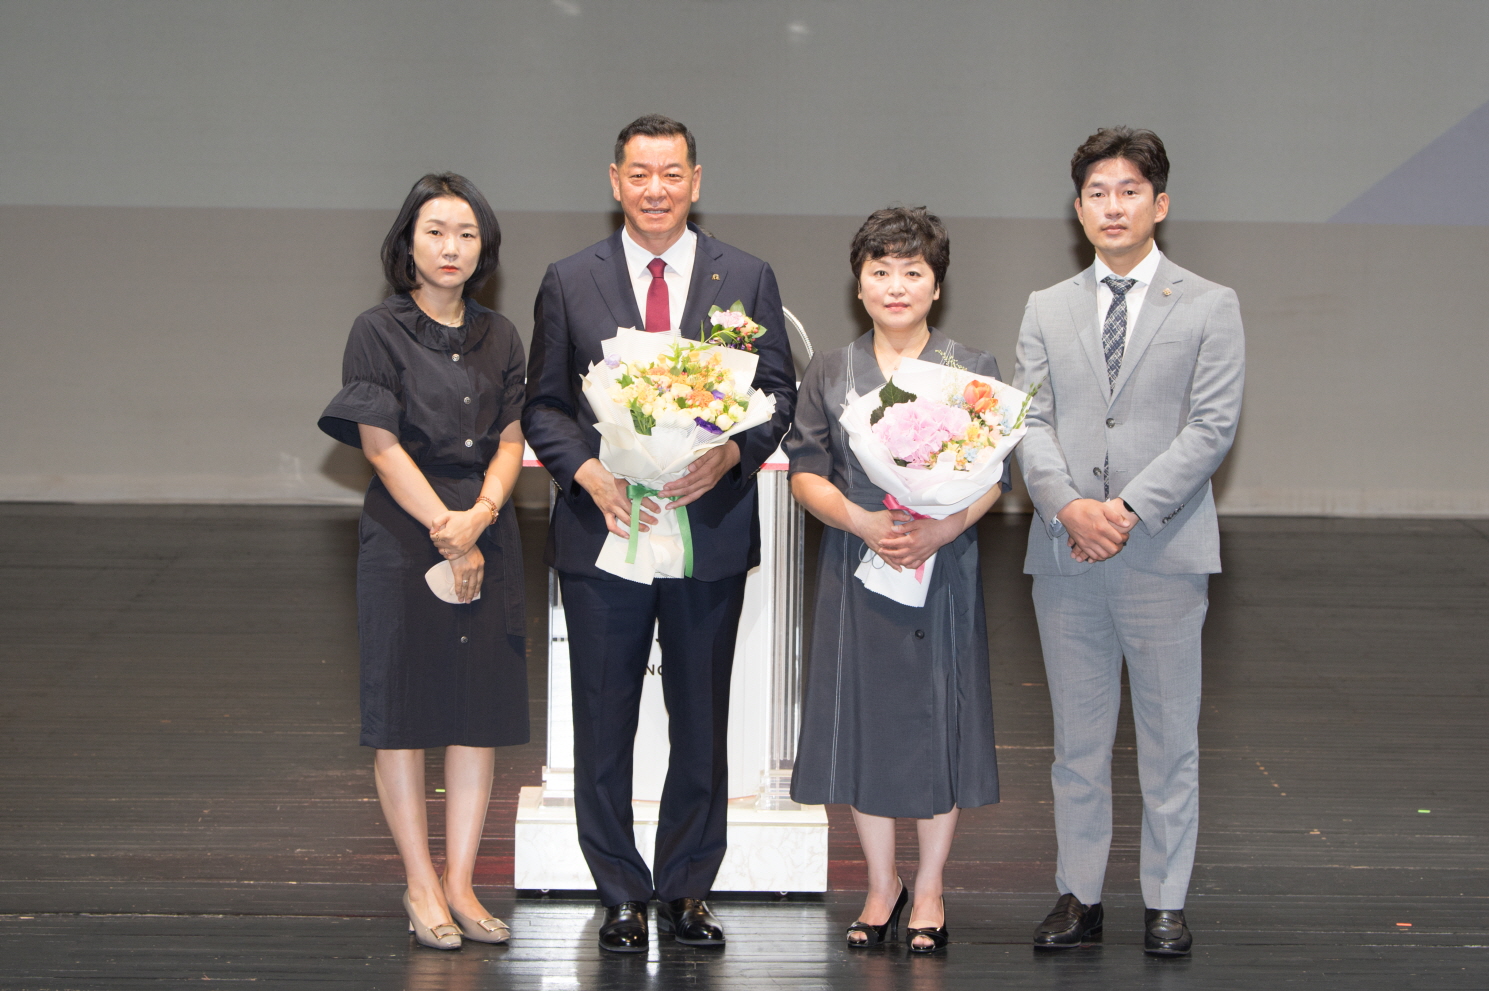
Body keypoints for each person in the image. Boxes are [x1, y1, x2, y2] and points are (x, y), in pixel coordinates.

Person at [522, 115, 796, 953]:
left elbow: (777, 393)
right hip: (604, 529)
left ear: (695, 180)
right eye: (639, 174)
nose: (655, 190)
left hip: (706, 530)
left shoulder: (743, 276)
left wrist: (730, 455)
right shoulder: (568, 280)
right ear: (615, 181)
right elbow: (543, 404)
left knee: (700, 721)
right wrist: (589, 472)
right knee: (602, 723)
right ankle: (618, 891)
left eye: (671, 173)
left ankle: (685, 888)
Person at [1014, 128, 1245, 956]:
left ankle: (1164, 901)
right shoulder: (1046, 306)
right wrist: (1070, 507)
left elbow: (1210, 427)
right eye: (1097, 193)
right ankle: (1078, 894)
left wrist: (1123, 510)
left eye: (1129, 190)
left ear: (1159, 203)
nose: (1112, 206)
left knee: (1167, 739)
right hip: (1064, 551)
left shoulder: (1210, 303)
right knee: (1075, 743)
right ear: (1078, 209)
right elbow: (1027, 420)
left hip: (1163, 551)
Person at [786, 207, 1005, 954]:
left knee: (939, 721)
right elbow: (806, 473)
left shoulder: (969, 368)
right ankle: (881, 885)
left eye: (913, 271)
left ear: (936, 285)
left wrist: (941, 527)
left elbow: (992, 478)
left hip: (942, 568)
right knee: (864, 722)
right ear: (859, 284)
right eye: (879, 271)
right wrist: (860, 520)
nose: (895, 285)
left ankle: (931, 887)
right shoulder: (829, 370)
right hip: (858, 567)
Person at [318, 174, 529, 950]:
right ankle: (419, 882)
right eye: (435, 231)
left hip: (486, 525)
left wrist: (481, 517)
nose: (451, 247)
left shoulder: (501, 334)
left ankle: (461, 882)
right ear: (407, 242)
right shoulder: (377, 329)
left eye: (466, 234)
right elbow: (379, 445)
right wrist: (449, 528)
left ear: (484, 248)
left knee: (477, 711)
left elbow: (511, 439)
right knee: (403, 715)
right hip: (408, 535)